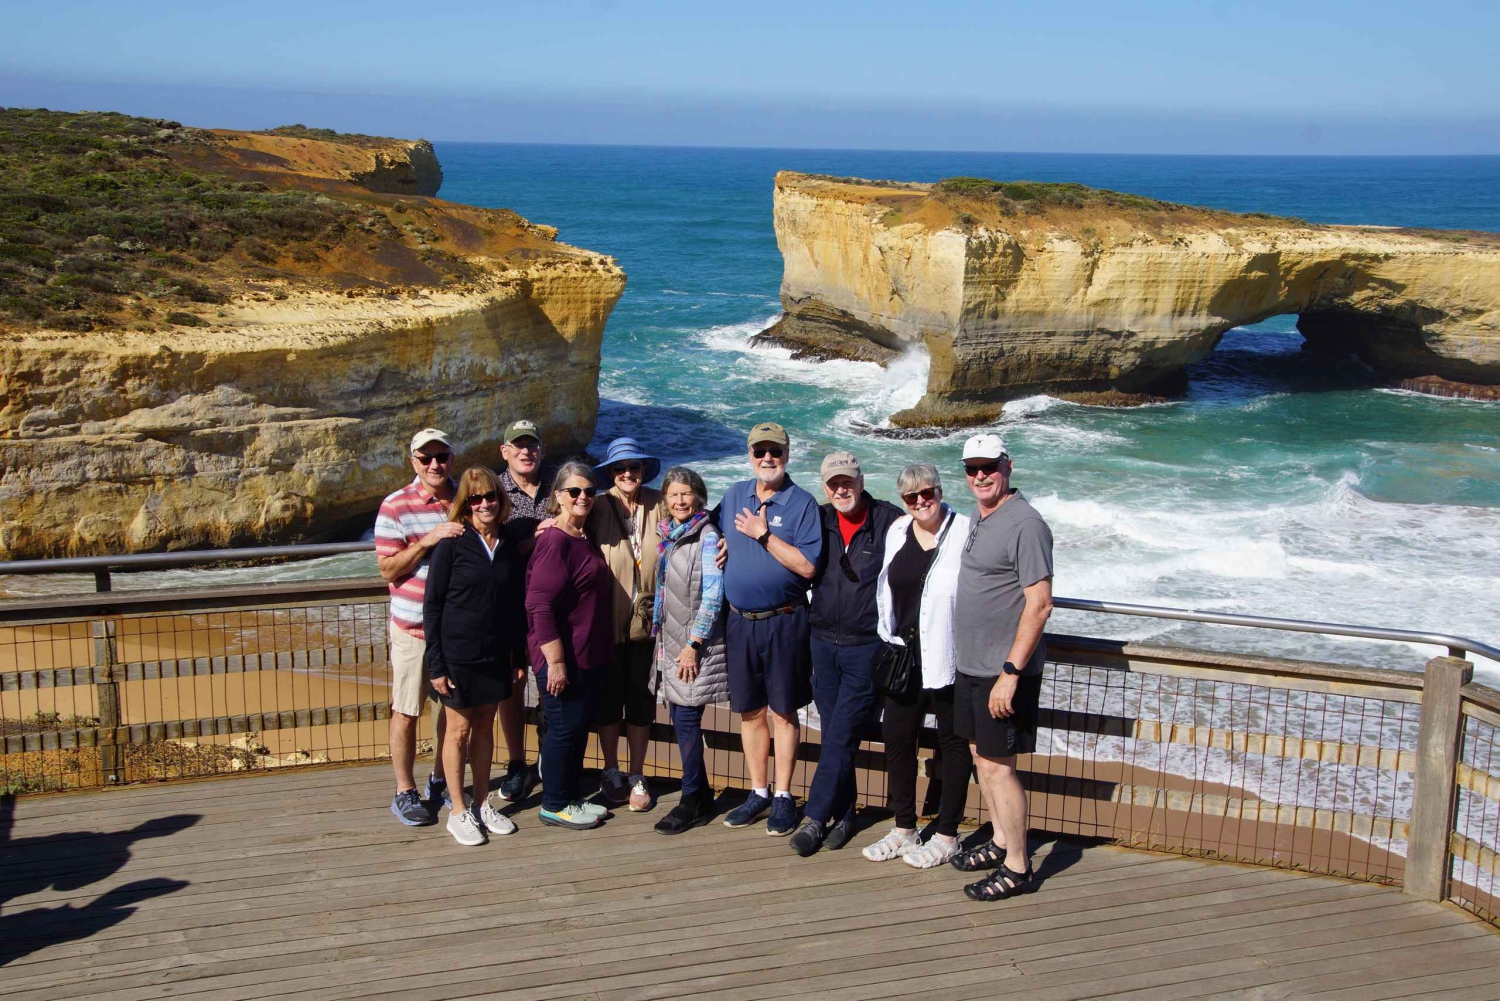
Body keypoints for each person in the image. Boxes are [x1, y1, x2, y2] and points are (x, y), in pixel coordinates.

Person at [951, 434, 1054, 900]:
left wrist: (1010, 673)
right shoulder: (980, 512)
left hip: (1003, 673)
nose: (980, 476)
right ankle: (998, 840)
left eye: (988, 466)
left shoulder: (1026, 524)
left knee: (997, 768)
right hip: (972, 666)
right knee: (980, 757)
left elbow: (1040, 603)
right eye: (972, 468)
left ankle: (1018, 865)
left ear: (1007, 465)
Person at [861, 462, 974, 868]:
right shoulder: (897, 531)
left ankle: (947, 835)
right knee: (897, 739)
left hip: (949, 655)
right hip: (904, 657)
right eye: (911, 497)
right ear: (904, 500)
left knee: (953, 744)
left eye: (928, 493)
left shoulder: (964, 531)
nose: (921, 501)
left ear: (940, 492)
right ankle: (905, 828)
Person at [789, 451, 902, 857]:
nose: (841, 488)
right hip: (821, 644)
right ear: (825, 486)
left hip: (865, 648)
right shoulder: (817, 520)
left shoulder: (888, 521)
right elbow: (783, 547)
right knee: (840, 734)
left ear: (861, 480)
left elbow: (932, 536)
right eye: (833, 483)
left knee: (838, 734)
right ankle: (848, 814)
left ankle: (815, 818)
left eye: (847, 481)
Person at [715, 421, 822, 836]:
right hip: (740, 621)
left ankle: (782, 795)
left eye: (774, 451)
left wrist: (763, 536)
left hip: (784, 621)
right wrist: (715, 544)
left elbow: (809, 566)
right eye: (760, 451)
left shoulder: (802, 503)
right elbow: (704, 526)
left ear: (787, 455)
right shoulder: (733, 495)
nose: (767, 458)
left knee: (782, 710)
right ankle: (757, 791)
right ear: (749, 455)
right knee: (749, 711)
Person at [423, 467, 525, 845]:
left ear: (500, 499)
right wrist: (437, 665)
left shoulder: (507, 544)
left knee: (485, 728)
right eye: (475, 499)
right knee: (459, 731)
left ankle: (483, 804)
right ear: (465, 505)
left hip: (496, 654)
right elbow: (432, 607)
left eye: (490, 497)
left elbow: (514, 606)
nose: (484, 504)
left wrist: (517, 657)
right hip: (458, 656)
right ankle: (458, 811)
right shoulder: (452, 543)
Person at [375, 428, 461, 826]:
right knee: (407, 710)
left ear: (451, 458)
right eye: (425, 458)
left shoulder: (466, 498)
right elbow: (389, 569)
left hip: (456, 629)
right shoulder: (395, 506)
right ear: (413, 461)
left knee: (453, 711)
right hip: (412, 628)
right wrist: (429, 539)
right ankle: (404, 790)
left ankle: (440, 780)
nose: (434, 465)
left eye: (441, 456)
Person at [526, 461, 615, 830]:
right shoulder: (554, 540)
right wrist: (556, 662)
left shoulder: (580, 535)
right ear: (558, 496)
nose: (583, 497)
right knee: (564, 728)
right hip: (562, 656)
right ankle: (554, 803)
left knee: (576, 727)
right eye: (574, 491)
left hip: (585, 654)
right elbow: (539, 604)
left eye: (589, 491)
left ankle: (571, 797)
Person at [589, 437, 668, 812]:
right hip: (605, 622)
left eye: (634, 467)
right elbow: (566, 527)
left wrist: (719, 544)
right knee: (607, 701)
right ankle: (610, 769)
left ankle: (637, 773)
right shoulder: (596, 505)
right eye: (619, 468)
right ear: (610, 473)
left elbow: (694, 519)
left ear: (643, 471)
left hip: (647, 624)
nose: (627, 473)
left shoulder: (659, 502)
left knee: (640, 700)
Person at [648, 466, 728, 835]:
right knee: (682, 718)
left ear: (699, 495)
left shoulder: (706, 536)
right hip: (673, 641)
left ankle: (692, 798)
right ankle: (702, 793)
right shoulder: (671, 535)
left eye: (686, 493)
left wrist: (694, 644)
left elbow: (714, 594)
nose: (680, 500)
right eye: (673, 494)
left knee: (685, 721)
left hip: (693, 645)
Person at [495, 419, 548, 803]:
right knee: (511, 689)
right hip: (511, 608)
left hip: (552, 609)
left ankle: (550, 761)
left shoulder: (558, 487)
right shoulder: (493, 492)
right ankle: (517, 764)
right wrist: (533, 540)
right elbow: (488, 546)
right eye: (518, 445)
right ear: (505, 451)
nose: (526, 451)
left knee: (552, 686)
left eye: (531, 445)